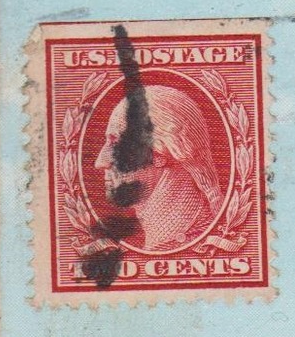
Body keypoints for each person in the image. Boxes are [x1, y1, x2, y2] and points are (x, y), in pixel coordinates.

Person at [92, 83, 224, 254]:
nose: (100, 162)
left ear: (159, 153)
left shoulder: (190, 239)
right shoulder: (165, 244)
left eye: (116, 143)